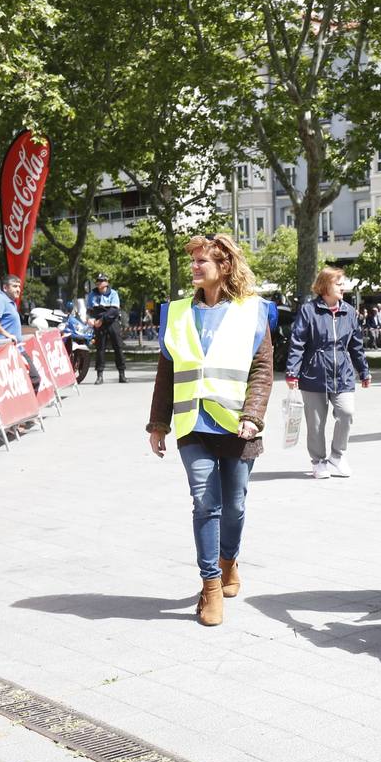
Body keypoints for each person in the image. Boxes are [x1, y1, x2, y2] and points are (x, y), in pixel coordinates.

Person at [147, 234, 274, 627]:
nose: (195, 266)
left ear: (225, 266)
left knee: (234, 505)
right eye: (194, 261)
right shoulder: (177, 312)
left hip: (239, 426)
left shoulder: (253, 310)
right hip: (192, 424)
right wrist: (158, 423)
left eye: (204, 261)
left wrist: (254, 415)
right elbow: (167, 371)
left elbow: (263, 369)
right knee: (205, 503)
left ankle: (229, 558)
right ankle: (211, 586)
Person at [285, 266, 371, 479]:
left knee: (347, 412)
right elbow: (297, 343)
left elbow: (356, 346)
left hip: (343, 375)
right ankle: (318, 461)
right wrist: (292, 372)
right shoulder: (309, 310)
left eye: (343, 283)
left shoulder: (349, 312)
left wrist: (364, 371)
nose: (343, 286)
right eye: (338, 283)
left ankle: (337, 455)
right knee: (315, 424)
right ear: (325, 286)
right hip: (313, 376)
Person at [0, 275, 42, 393]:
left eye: (19, 287)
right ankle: (27, 409)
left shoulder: (11, 303)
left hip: (15, 348)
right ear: (5, 288)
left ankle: (25, 408)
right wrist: (7, 335)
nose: (18, 289)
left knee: (24, 381)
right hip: (3, 350)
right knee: (33, 378)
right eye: (14, 286)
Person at [87, 274, 126, 383]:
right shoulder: (92, 294)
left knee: (118, 347)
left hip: (112, 322)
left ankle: (122, 374)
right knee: (100, 349)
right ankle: (99, 376)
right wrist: (89, 319)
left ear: (106, 282)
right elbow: (89, 310)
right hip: (99, 323)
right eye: (98, 280)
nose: (99, 282)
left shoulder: (113, 293)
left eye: (101, 280)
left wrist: (102, 320)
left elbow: (114, 310)